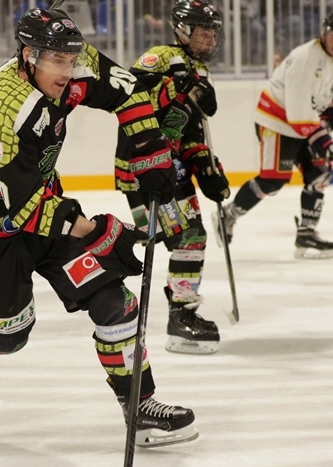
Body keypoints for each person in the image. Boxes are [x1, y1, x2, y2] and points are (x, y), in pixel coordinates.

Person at [0, 7, 196, 448]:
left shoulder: (73, 63)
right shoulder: (6, 107)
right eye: (57, 61)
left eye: (71, 59)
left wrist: (149, 152)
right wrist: (100, 231)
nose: (68, 69)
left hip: (43, 202)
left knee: (112, 298)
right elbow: (24, 210)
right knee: (6, 336)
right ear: (28, 55)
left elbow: (129, 93)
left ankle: (140, 406)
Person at [115, 1, 228, 355]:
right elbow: (127, 95)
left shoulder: (199, 70)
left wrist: (205, 166)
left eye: (212, 33)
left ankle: (181, 315)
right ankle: (174, 317)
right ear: (182, 30)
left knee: (189, 237)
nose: (209, 39)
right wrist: (170, 86)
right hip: (145, 167)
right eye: (203, 32)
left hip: (171, 167)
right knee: (183, 237)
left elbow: (189, 132)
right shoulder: (160, 57)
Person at [214, 11, 333, 260]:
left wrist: (329, 105)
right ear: (323, 32)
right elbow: (298, 109)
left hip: (300, 123)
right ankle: (227, 215)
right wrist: (322, 138)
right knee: (273, 180)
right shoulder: (305, 59)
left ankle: (306, 233)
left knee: (320, 173)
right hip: (276, 121)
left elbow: (319, 92)